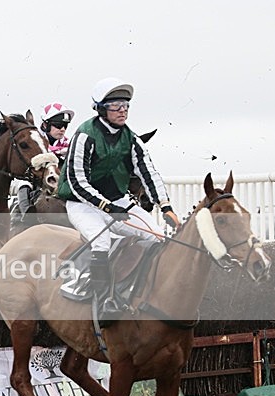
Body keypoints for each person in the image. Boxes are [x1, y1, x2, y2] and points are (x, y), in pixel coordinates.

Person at [56, 77, 181, 321]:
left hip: (117, 201)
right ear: (101, 108)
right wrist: (106, 206)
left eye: (125, 105)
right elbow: (76, 181)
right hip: (81, 204)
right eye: (116, 106)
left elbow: (148, 173)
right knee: (101, 240)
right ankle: (104, 302)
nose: (123, 110)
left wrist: (166, 207)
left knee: (158, 237)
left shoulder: (131, 138)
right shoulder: (84, 135)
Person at [10, 101, 75, 230]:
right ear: (45, 125)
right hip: (28, 176)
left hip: (49, 177)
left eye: (65, 126)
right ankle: (23, 213)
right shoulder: (35, 138)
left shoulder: (67, 143)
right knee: (23, 183)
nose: (62, 129)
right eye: (58, 125)